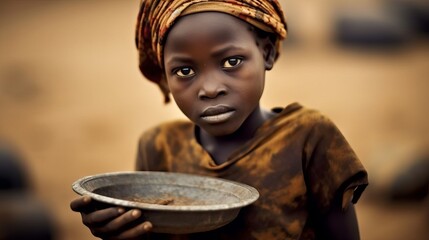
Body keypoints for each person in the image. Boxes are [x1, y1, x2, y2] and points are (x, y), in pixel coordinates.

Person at [70, 0, 368, 239]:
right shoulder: (159, 147)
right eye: (185, 71)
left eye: (231, 62)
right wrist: (123, 230)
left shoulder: (308, 137)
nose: (211, 89)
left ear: (266, 53)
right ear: (164, 75)